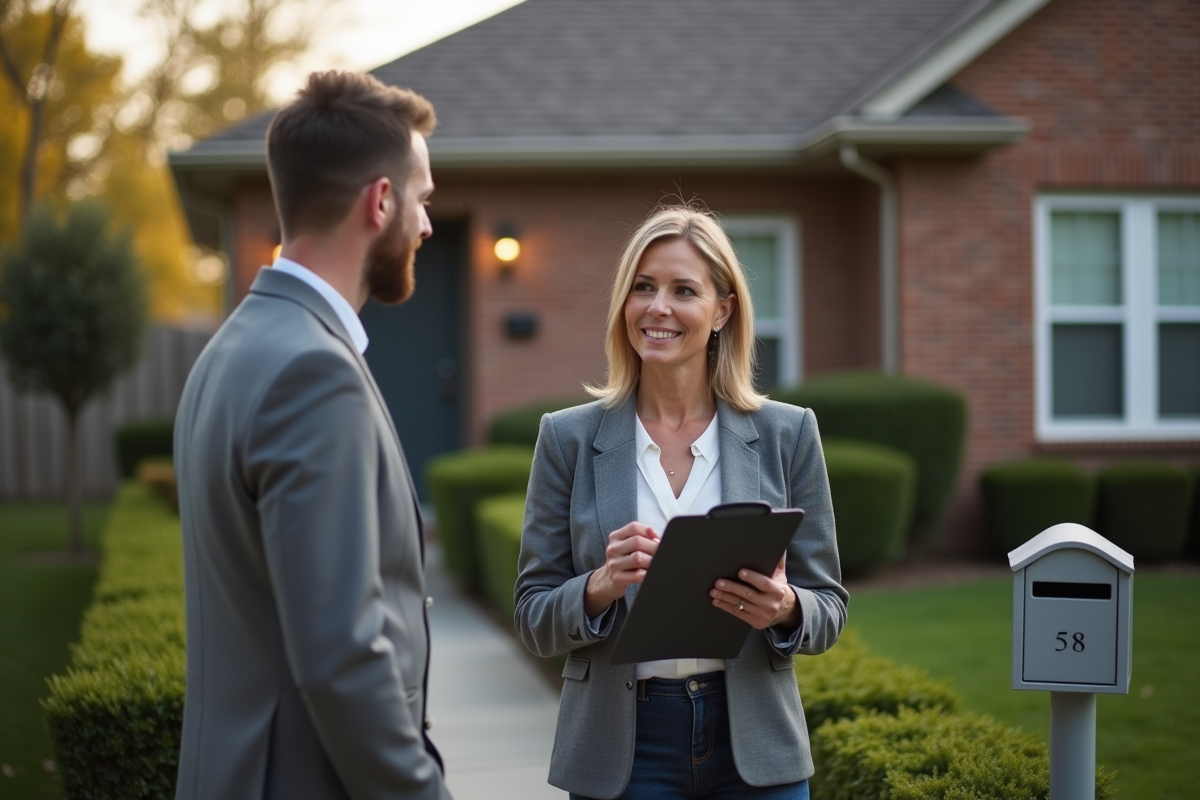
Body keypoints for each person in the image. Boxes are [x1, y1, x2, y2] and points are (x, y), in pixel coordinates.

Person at [173, 71, 451, 800]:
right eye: (421, 198)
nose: (426, 224)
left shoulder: (231, 350)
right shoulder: (312, 372)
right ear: (381, 201)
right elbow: (342, 658)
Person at [514, 205, 848, 800]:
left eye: (683, 290)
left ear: (722, 310)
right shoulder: (566, 439)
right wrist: (600, 585)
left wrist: (785, 606)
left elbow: (830, 609)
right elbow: (532, 616)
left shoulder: (787, 434)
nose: (657, 307)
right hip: (622, 749)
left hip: (754, 746)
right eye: (643, 287)